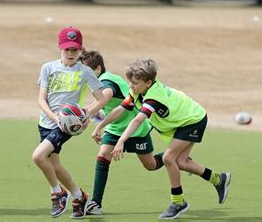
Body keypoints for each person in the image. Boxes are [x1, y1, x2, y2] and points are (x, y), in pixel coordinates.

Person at [110, 58, 231, 220]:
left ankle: (178, 202)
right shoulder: (138, 91)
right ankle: (218, 179)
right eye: (130, 82)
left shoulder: (154, 97)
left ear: (148, 83)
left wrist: (121, 141)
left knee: (168, 158)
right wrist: (98, 124)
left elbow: (138, 120)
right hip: (180, 123)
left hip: (193, 119)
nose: (131, 86)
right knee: (180, 162)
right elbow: (123, 108)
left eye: (135, 83)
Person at [32, 27, 107, 219]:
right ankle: (79, 196)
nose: (71, 53)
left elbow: (102, 98)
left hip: (67, 125)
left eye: (75, 49)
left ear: (80, 49)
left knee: (38, 157)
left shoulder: (85, 71)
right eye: (67, 49)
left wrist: (87, 114)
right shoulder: (48, 68)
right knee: (54, 165)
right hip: (47, 122)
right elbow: (41, 99)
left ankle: (58, 193)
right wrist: (53, 116)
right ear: (59, 47)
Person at [79, 50, 165, 215]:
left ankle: (173, 157)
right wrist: (99, 126)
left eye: (86, 71)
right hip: (115, 128)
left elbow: (107, 95)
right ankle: (96, 203)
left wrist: (85, 115)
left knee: (151, 165)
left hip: (136, 129)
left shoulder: (106, 81)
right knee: (103, 155)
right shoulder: (99, 81)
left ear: (97, 68)